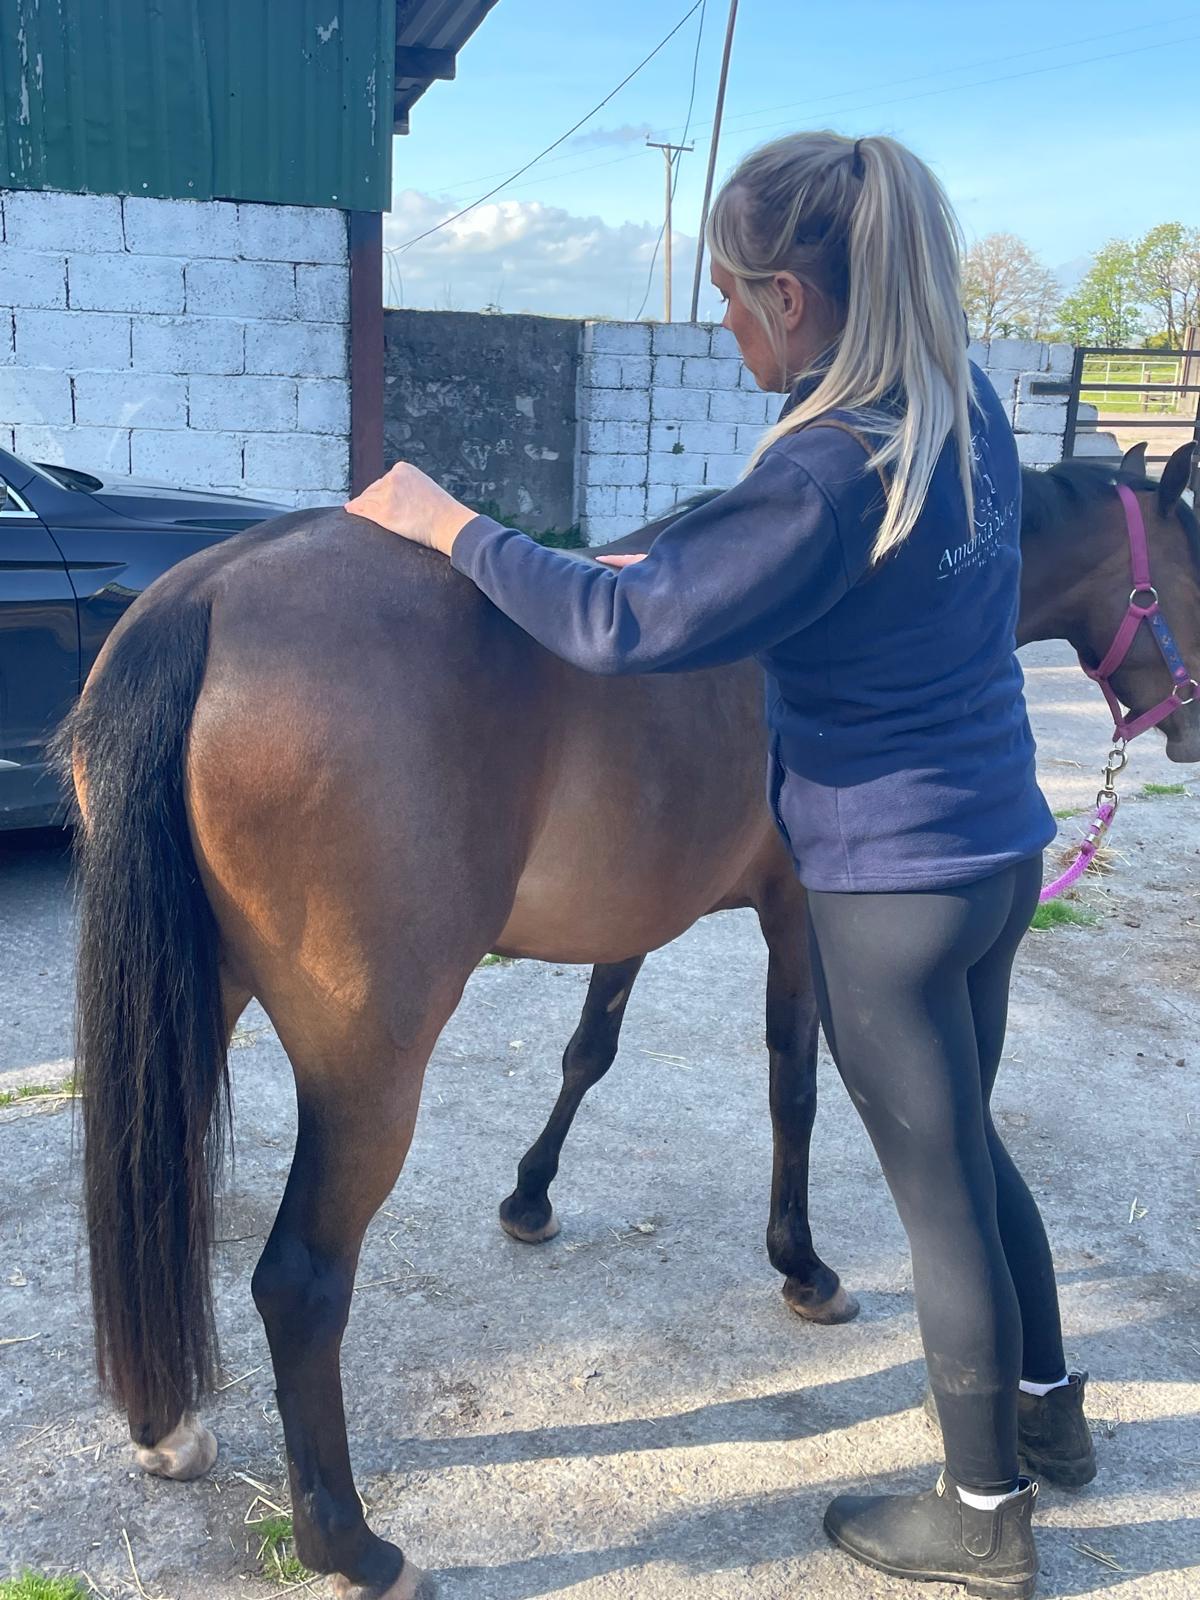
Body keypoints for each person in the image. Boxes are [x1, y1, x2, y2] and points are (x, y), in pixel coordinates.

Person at [346, 130, 1095, 1599]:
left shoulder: (824, 464)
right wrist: (656, 564)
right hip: (996, 845)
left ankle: (981, 1510)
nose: (726, 325)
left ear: (796, 301)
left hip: (886, 881)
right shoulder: (961, 407)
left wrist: (453, 525)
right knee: (974, 1147)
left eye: (732, 298)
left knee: (934, 1192)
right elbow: (751, 580)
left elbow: (626, 637)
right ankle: (1054, 1422)